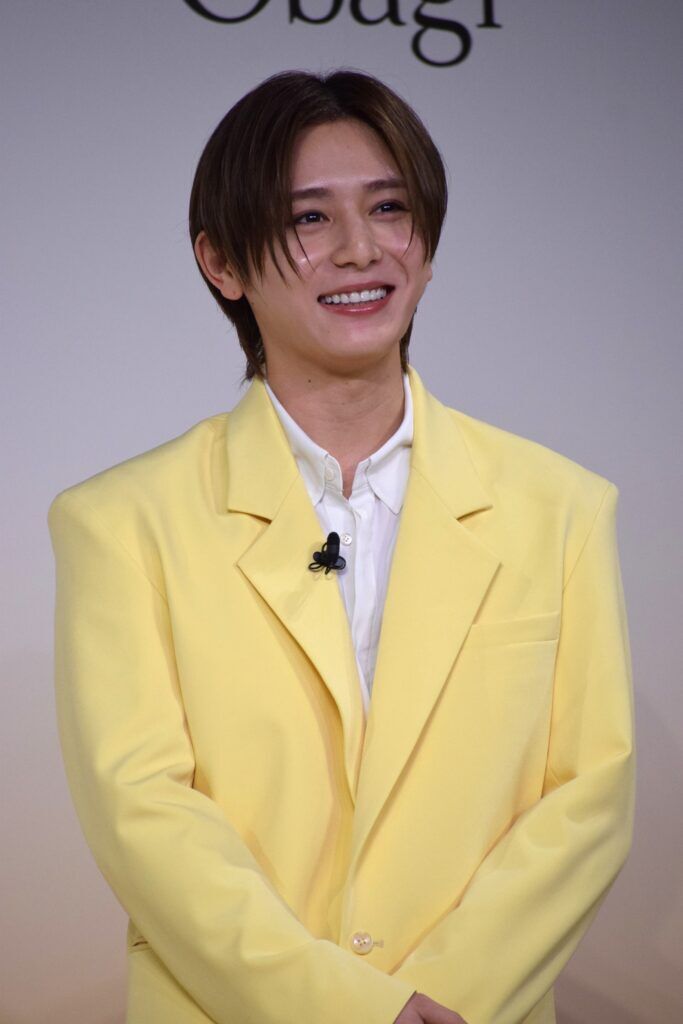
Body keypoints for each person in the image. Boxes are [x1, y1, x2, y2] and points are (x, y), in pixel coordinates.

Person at [48, 69, 635, 1024]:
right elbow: (143, 814)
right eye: (309, 218)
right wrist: (351, 1009)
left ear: (427, 243)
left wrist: (440, 1002)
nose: (360, 248)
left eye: (389, 208)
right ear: (221, 262)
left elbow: (588, 799)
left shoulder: (561, 507)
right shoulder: (121, 521)